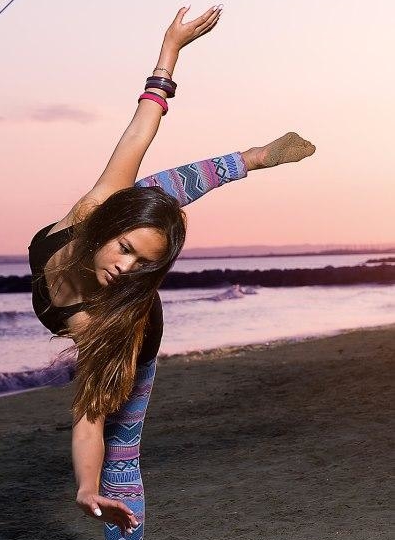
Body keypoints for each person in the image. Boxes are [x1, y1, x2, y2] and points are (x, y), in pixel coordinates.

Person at [28, 5, 315, 539]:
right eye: (124, 250)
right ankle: (250, 158)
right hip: (117, 217)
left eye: (143, 264)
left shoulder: (99, 324)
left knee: (122, 449)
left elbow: (89, 420)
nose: (125, 268)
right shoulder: (93, 209)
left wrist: (87, 489)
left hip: (132, 329)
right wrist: (171, 46)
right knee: (148, 196)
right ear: (104, 228)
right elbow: (142, 127)